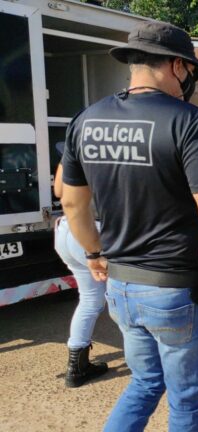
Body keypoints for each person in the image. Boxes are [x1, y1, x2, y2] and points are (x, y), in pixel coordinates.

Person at [60, 21, 198, 431]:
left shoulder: (87, 120)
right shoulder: (189, 121)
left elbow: (72, 202)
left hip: (121, 287)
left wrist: (95, 253)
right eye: (190, 69)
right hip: (176, 291)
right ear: (176, 65)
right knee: (187, 401)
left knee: (145, 383)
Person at [52, 156, 108, 388]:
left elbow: (58, 190)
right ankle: (146, 363)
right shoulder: (121, 143)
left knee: (90, 300)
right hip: (95, 229)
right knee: (122, 297)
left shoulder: (75, 143)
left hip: (68, 227)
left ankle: (76, 365)